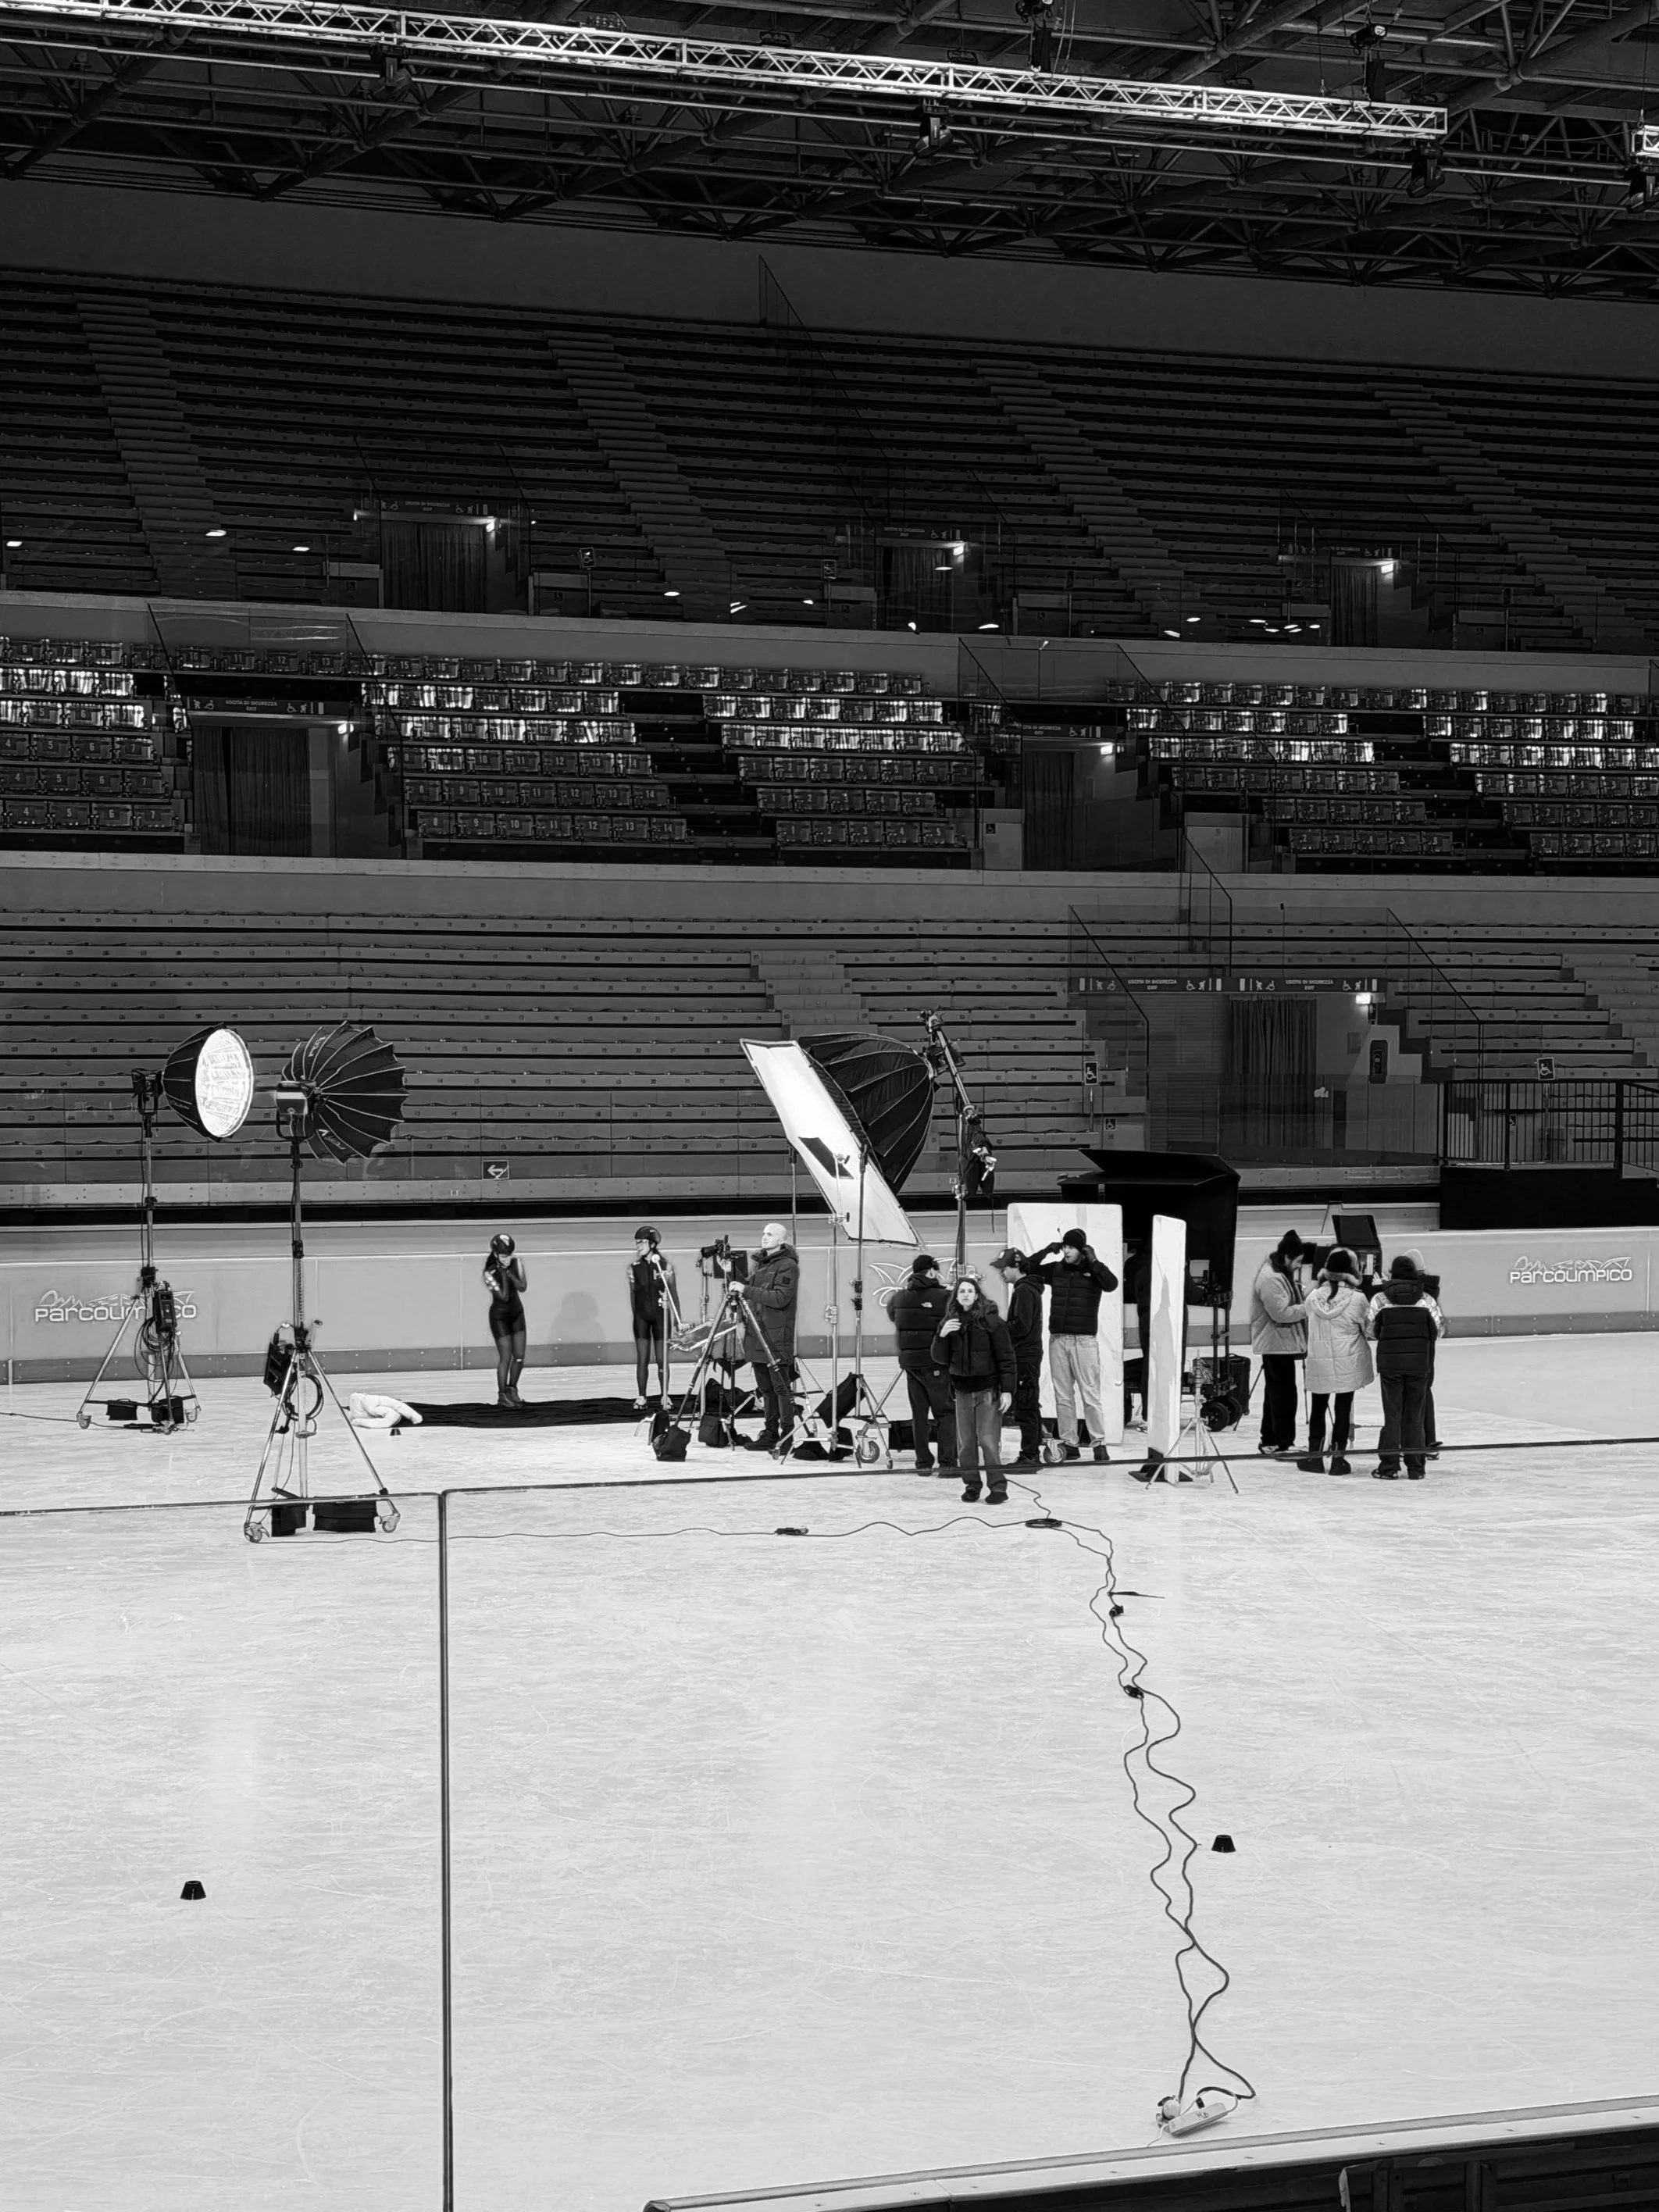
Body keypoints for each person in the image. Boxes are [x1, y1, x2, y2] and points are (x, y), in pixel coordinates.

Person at [1030, 1228, 1118, 1463]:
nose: (1066, 1250)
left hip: (1084, 1341)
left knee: (1090, 1393)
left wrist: (1096, 1262)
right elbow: (1028, 1268)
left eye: (1070, 1247)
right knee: (1063, 1395)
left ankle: (1098, 1442)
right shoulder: (1056, 1270)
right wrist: (1047, 1251)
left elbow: (1112, 1285)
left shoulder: (1094, 1271)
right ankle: (1070, 1443)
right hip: (1058, 1339)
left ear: (1081, 1250)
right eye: (1064, 1246)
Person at [930, 1271, 1015, 1504]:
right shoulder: (949, 1322)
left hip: (988, 1390)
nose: (966, 1295)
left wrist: (1007, 1389)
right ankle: (972, 1484)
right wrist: (942, 1335)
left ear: (977, 1295)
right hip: (962, 1391)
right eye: (962, 1291)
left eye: (970, 1291)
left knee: (988, 1441)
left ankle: (998, 1487)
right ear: (956, 1296)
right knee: (965, 1443)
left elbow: (1007, 1358)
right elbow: (940, 1358)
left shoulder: (992, 1322)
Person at [1295, 1247, 1373, 1475]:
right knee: (1343, 1408)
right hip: (1346, 1361)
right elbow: (1369, 1329)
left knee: (1318, 1409)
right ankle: (1338, 1460)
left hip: (1319, 1360)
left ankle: (1314, 1458)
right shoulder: (1358, 1299)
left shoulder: (1312, 1297)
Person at [1365, 1255, 1443, 1479]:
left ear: (1392, 1274)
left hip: (1390, 1367)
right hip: (1419, 1366)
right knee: (1415, 1416)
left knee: (1393, 1415)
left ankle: (1389, 1467)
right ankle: (1416, 1468)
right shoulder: (1427, 1300)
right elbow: (1439, 1330)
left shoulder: (1380, 1299)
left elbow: (1370, 1330)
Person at [883, 1253, 955, 1475]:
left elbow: (894, 1318)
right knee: (945, 1413)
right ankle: (948, 1462)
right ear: (932, 1271)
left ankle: (923, 1463)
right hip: (935, 1363)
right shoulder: (945, 1297)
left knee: (919, 1414)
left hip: (910, 1364)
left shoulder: (898, 1297)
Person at [738, 1220, 799, 1451]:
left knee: (781, 1388)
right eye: (763, 1233)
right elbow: (747, 1289)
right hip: (757, 1334)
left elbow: (779, 1298)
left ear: (781, 1240)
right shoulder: (761, 1265)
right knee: (765, 1389)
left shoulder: (788, 1266)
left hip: (775, 1337)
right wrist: (730, 1274)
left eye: (770, 1234)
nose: (764, 1237)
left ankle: (787, 1434)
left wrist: (745, 1289)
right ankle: (770, 1433)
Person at [1250, 1230, 1308, 1455]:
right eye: (1298, 1262)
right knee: (1284, 1395)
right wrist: (1309, 1307)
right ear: (1286, 1258)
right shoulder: (1271, 1278)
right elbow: (1281, 1314)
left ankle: (1270, 1440)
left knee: (1276, 1393)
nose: (1299, 1267)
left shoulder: (1279, 1273)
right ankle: (1283, 1443)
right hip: (1276, 1342)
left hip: (1280, 1342)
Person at [992, 1246, 1045, 1469]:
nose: (1002, 1274)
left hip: (1025, 1356)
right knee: (1028, 1404)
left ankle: (1030, 1456)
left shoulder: (1024, 1291)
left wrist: (999, 1328)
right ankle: (1031, 1452)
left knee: (1026, 1406)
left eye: (1004, 1269)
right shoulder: (1025, 1289)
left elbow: (1022, 1326)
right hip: (1027, 1355)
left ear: (1015, 1267)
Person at [626, 1226, 680, 1410]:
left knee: (662, 1360)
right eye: (636, 1243)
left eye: (641, 1242)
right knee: (642, 1359)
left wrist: (678, 1320)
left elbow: (674, 1295)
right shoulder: (633, 1268)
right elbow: (633, 1297)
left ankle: (665, 1395)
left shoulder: (665, 1267)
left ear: (653, 1244)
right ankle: (641, 1396)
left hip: (661, 1318)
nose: (638, 1246)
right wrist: (636, 1318)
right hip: (641, 1319)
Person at [1398, 1247, 1442, 1459]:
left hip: (1411, 1353)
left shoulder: (1413, 1294)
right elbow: (1438, 1329)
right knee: (1425, 1394)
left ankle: (1412, 1443)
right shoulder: (1429, 1293)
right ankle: (1427, 1442)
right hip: (1425, 1353)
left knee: (1411, 1398)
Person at [483, 1232, 527, 1408]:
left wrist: (511, 1275)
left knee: (519, 1357)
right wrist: (503, 1276)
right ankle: (502, 1395)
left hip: (517, 1313)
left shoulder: (517, 1264)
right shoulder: (489, 1273)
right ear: (495, 1254)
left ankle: (512, 1389)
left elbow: (523, 1287)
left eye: (509, 1255)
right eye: (503, 1256)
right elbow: (503, 1296)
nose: (507, 1259)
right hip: (499, 1317)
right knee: (506, 1357)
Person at [1121, 1239, 1151, 1432]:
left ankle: (1148, 1412)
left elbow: (1131, 1290)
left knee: (1149, 1358)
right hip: (1164, 1318)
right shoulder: (1160, 1262)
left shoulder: (1132, 1263)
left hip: (1145, 1315)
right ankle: (1152, 1413)